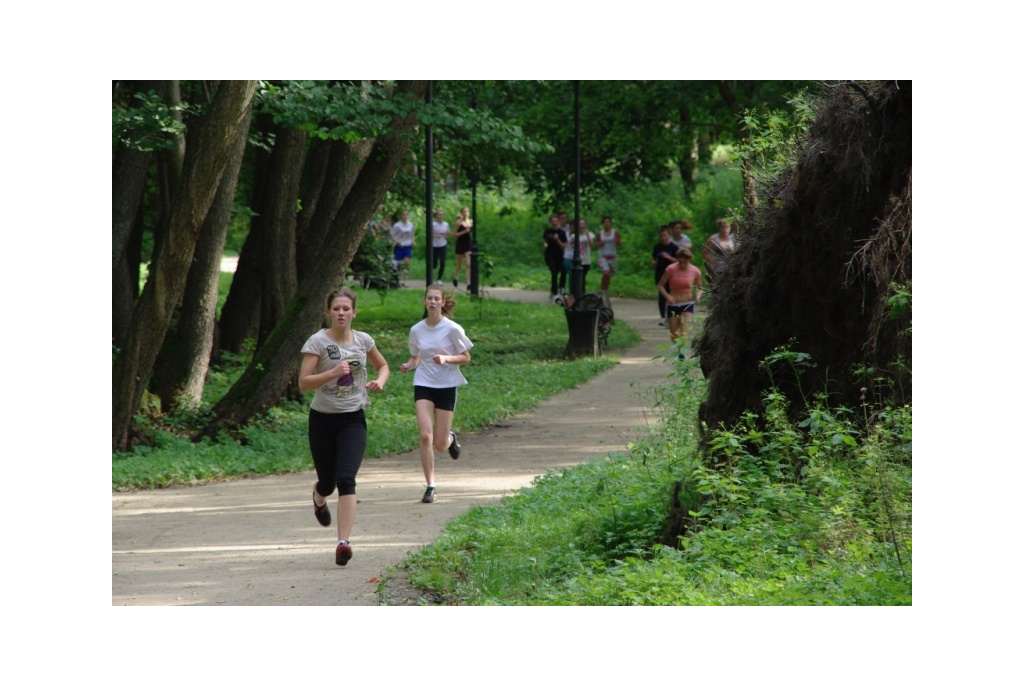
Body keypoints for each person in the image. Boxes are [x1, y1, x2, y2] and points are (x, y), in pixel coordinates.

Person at [300, 288, 391, 566]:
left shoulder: (363, 340)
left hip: (353, 418)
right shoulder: (317, 341)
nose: (341, 313)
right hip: (322, 419)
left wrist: (380, 381)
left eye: (346, 309)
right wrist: (331, 373)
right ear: (328, 312)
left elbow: (383, 365)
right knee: (327, 482)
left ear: (354, 312)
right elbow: (304, 382)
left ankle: (343, 543)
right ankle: (318, 497)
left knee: (346, 479)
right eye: (336, 309)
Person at [399, 284, 473, 503]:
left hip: (447, 385)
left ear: (442, 302)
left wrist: (446, 358)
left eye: (436, 299)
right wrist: (408, 365)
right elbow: (415, 357)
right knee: (425, 435)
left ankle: (451, 438)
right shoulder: (416, 330)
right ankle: (430, 485)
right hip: (424, 383)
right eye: (429, 298)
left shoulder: (452, 329)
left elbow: (466, 357)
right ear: (424, 301)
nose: (432, 302)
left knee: (440, 444)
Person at [657, 246, 702, 359]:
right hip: (673, 303)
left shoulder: (695, 271)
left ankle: (682, 355)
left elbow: (699, 287)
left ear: (689, 260)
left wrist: (698, 295)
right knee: (674, 334)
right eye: (680, 262)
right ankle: (678, 351)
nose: (682, 265)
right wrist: (667, 297)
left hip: (687, 303)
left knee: (683, 332)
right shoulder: (671, 269)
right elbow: (661, 285)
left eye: (685, 262)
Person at [651, 225, 676, 326]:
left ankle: (670, 315)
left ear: (669, 235)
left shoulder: (674, 247)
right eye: (661, 235)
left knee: (670, 294)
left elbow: (679, 261)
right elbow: (654, 258)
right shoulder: (657, 247)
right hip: (660, 273)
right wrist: (653, 262)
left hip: (671, 275)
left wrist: (668, 257)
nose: (663, 237)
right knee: (661, 295)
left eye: (665, 235)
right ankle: (662, 317)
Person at [563, 218, 595, 293]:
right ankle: (581, 293)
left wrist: (587, 235)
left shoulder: (590, 234)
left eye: (583, 224)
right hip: (578, 260)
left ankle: (580, 293)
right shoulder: (574, 236)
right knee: (580, 278)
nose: (581, 226)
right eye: (580, 224)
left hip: (587, 259)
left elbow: (592, 245)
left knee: (583, 277)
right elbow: (572, 246)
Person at [703, 218, 737, 287]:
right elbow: (705, 253)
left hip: (730, 266)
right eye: (722, 227)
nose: (725, 229)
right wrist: (713, 261)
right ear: (719, 228)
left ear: (730, 228)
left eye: (727, 227)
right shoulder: (713, 239)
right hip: (717, 267)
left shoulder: (733, 238)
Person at [595, 215, 622, 303]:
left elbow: (619, 243)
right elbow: (597, 243)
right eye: (605, 222)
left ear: (611, 223)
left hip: (612, 257)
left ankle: (605, 291)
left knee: (609, 275)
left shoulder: (615, 232)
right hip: (603, 256)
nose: (607, 224)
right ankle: (602, 291)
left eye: (608, 222)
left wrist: (616, 241)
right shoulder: (600, 233)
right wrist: (600, 243)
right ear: (602, 224)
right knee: (605, 272)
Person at [543, 213, 568, 301]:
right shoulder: (547, 231)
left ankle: (561, 287)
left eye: (556, 221)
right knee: (554, 272)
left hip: (559, 255)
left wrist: (557, 239)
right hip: (549, 255)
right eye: (553, 221)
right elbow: (545, 239)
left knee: (563, 271)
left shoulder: (562, 232)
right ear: (551, 222)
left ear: (559, 222)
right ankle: (554, 292)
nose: (554, 223)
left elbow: (563, 246)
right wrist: (545, 244)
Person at [390, 211, 415, 286]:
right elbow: (392, 235)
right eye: (403, 215)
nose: (405, 216)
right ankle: (397, 279)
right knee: (398, 263)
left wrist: (413, 241)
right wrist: (396, 241)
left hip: (407, 245)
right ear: (401, 216)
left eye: (406, 215)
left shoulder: (411, 225)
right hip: (399, 245)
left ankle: (405, 280)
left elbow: (412, 234)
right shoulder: (397, 225)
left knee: (407, 262)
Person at [452, 207, 473, 289]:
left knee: (468, 264)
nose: (466, 213)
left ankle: (468, 283)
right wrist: (464, 231)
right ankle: (455, 276)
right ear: (461, 213)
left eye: (467, 211)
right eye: (464, 212)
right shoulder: (459, 222)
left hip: (468, 244)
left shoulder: (471, 222)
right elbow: (454, 234)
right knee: (459, 265)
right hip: (460, 244)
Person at [431, 209, 450, 284]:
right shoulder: (433, 224)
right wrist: (435, 236)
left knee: (442, 262)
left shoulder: (446, 224)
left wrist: (447, 234)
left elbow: (448, 234)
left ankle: (439, 278)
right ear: (436, 216)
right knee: (434, 263)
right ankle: (430, 275)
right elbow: (430, 234)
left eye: (442, 215)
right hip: (434, 245)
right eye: (439, 215)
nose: (441, 216)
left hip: (443, 245)